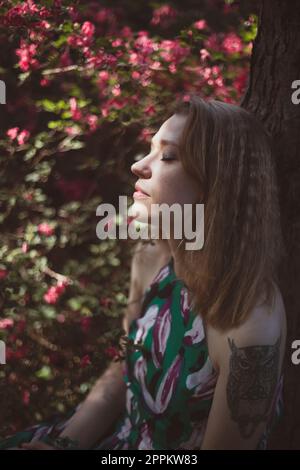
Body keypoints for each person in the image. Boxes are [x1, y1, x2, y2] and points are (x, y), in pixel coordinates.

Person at [0, 95, 286, 450]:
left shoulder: (250, 319)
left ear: (216, 184)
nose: (138, 165)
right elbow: (127, 363)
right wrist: (67, 443)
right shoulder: (151, 256)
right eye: (150, 149)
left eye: (167, 156)